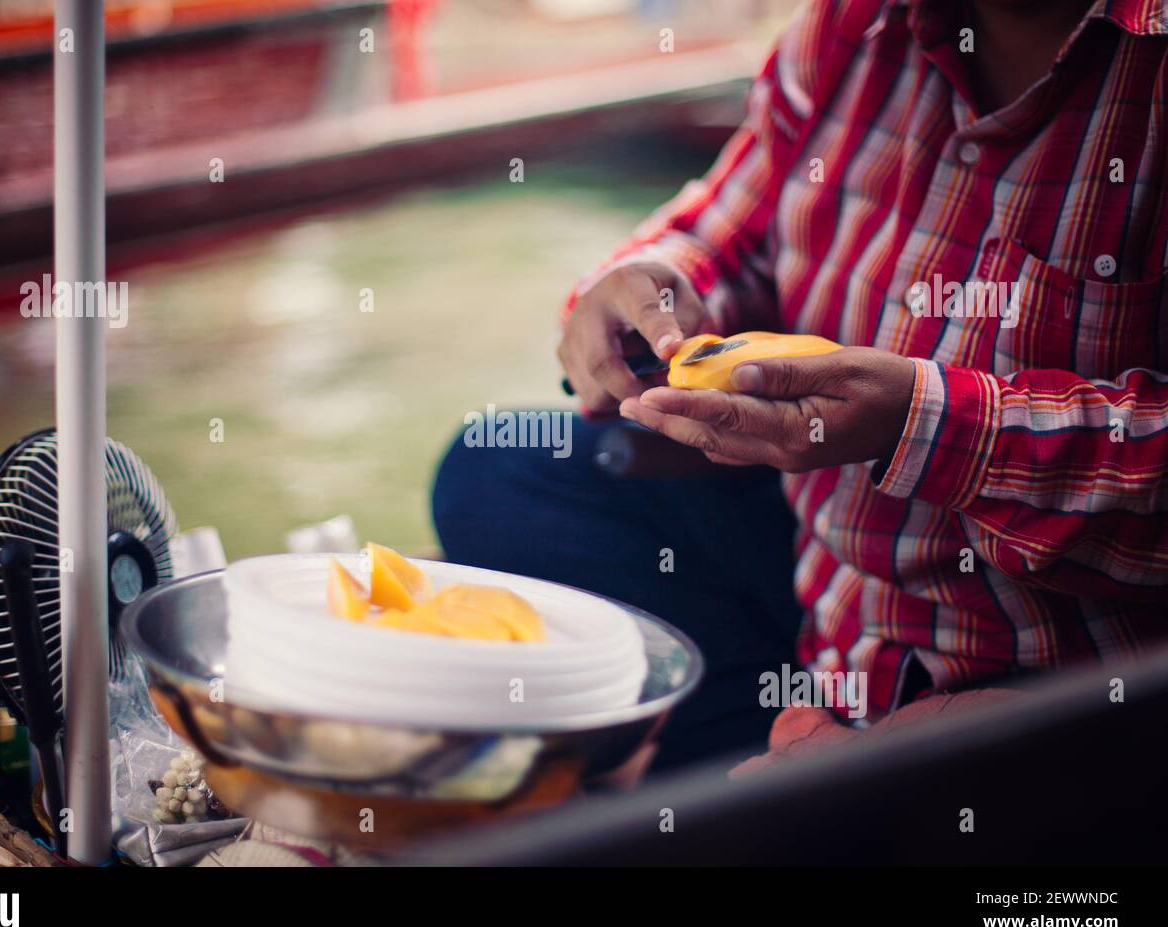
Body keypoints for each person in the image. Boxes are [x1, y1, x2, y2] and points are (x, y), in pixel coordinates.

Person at [433, 0, 1168, 771]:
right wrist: (646, 286)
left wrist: (922, 423)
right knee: (501, 469)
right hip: (828, 600)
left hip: (1071, 677)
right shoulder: (850, 29)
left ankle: (780, 785)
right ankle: (773, 761)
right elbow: (729, 233)